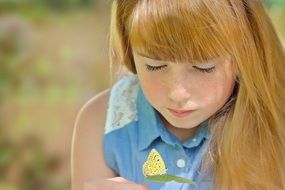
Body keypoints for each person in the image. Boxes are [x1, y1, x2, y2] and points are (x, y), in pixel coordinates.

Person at [71, 0, 285, 189]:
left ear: (246, 55)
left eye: (203, 67)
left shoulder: (276, 123)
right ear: (130, 52)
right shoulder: (103, 121)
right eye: (154, 65)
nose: (178, 93)